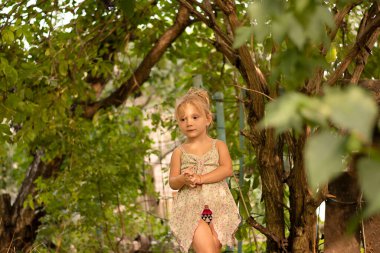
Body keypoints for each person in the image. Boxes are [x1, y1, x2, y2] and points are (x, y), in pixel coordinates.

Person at [168, 88, 241, 253]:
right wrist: (183, 179)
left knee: (214, 247)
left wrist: (200, 178)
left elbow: (227, 169)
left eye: (195, 117)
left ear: (208, 119)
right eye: (183, 119)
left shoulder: (218, 146)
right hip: (191, 210)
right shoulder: (179, 152)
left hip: (218, 207)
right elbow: (172, 182)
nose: (189, 122)